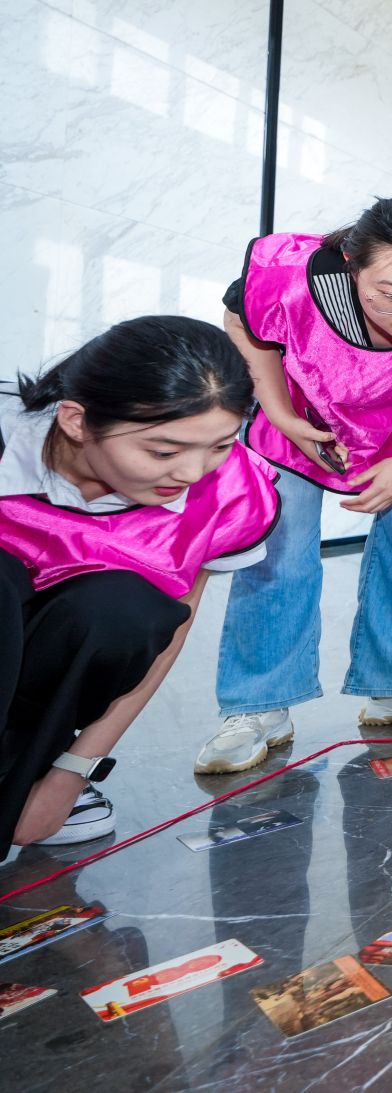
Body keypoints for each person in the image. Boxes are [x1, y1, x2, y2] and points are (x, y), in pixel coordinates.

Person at [199, 196, 392, 774]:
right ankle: (258, 705)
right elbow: (243, 326)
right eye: (389, 293)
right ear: (351, 265)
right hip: (298, 396)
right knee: (279, 550)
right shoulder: (289, 283)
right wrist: (282, 415)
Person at [3, 317, 279, 844]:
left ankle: (28, 766)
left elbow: (169, 631)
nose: (193, 473)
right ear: (77, 421)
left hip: (41, 676)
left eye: (220, 445)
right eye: (164, 452)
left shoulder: (228, 492)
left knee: (131, 610)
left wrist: (70, 772)